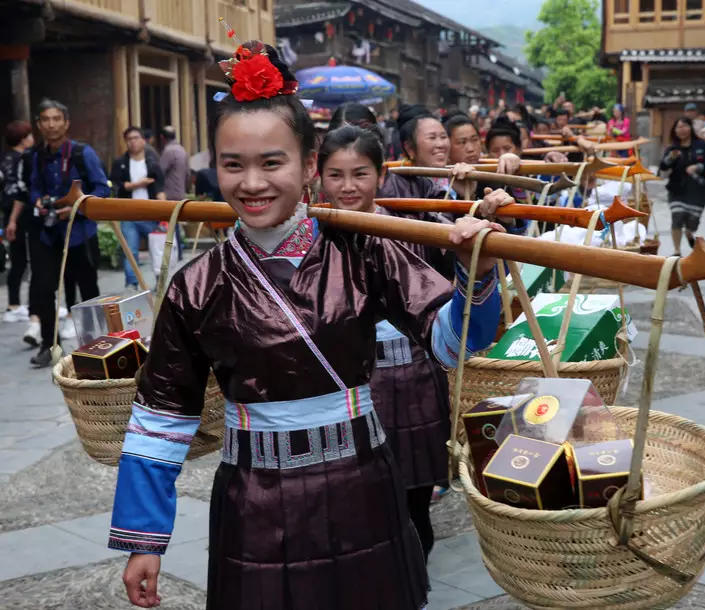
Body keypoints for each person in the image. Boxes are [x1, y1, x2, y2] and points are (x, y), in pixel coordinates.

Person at [111, 40, 503, 610]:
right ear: (211, 166)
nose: (252, 183)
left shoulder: (365, 248)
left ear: (308, 163)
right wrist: (144, 539)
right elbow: (161, 414)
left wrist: (477, 273)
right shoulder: (197, 286)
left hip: (361, 483)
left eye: (272, 162)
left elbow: (454, 342)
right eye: (232, 164)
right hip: (254, 499)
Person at [319, 123, 515, 561]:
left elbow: (457, 324)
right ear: (317, 177)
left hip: (410, 380)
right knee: (356, 511)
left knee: (412, 509)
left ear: (382, 173)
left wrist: (481, 229)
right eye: (335, 175)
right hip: (346, 394)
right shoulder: (311, 241)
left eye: (360, 174)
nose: (348, 186)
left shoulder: (412, 231)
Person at [28, 99, 110, 367]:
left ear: (66, 122)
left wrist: (76, 206)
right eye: (45, 120)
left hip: (79, 233)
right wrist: (39, 200)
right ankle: (49, 345)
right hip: (47, 234)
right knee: (42, 288)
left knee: (88, 290)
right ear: (39, 125)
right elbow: (34, 188)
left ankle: (99, 346)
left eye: (56, 119)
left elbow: (102, 189)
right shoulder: (36, 155)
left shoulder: (81, 153)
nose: (51, 125)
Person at [110, 126, 166, 291]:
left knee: (157, 249)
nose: (133, 142)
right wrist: (136, 185)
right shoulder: (120, 163)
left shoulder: (152, 163)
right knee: (130, 250)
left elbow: (160, 188)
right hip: (129, 213)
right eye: (129, 139)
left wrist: (165, 212)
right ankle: (132, 284)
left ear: (143, 140)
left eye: (136, 138)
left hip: (150, 212)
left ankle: (160, 281)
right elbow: (116, 186)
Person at [659, 117, 705, 256]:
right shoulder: (672, 148)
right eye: (679, 127)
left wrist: (698, 167)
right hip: (677, 188)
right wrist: (671, 158)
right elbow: (663, 166)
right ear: (675, 130)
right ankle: (677, 251)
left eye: (684, 126)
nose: (681, 130)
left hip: (697, 190)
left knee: (692, 222)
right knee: (677, 217)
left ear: (690, 128)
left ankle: (689, 234)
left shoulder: (701, 145)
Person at [1, 121, 36, 326]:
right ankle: (20, 307)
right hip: (19, 215)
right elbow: (18, 193)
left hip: (8, 214)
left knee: (18, 261)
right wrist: (14, 219)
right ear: (23, 139)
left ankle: (14, 305)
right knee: (26, 260)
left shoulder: (4, 159)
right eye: (29, 135)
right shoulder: (21, 159)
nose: (32, 139)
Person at [158, 126, 189, 201]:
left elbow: (160, 172)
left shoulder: (168, 151)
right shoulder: (182, 150)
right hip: (181, 193)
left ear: (162, 137)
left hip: (170, 195)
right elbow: (188, 173)